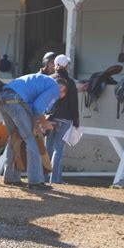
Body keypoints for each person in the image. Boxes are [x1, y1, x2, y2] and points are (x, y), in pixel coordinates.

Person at [0, 73, 60, 190]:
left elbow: (30, 108)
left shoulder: (38, 81)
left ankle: (11, 178)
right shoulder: (54, 87)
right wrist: (44, 122)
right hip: (16, 101)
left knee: (14, 138)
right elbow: (37, 107)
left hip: (2, 98)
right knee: (31, 140)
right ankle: (35, 181)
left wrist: (36, 122)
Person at [46, 54, 80, 184]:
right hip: (65, 119)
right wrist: (76, 122)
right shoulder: (70, 82)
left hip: (49, 118)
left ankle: (42, 177)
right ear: (66, 66)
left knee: (47, 148)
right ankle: (55, 179)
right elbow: (74, 103)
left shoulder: (49, 79)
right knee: (58, 150)